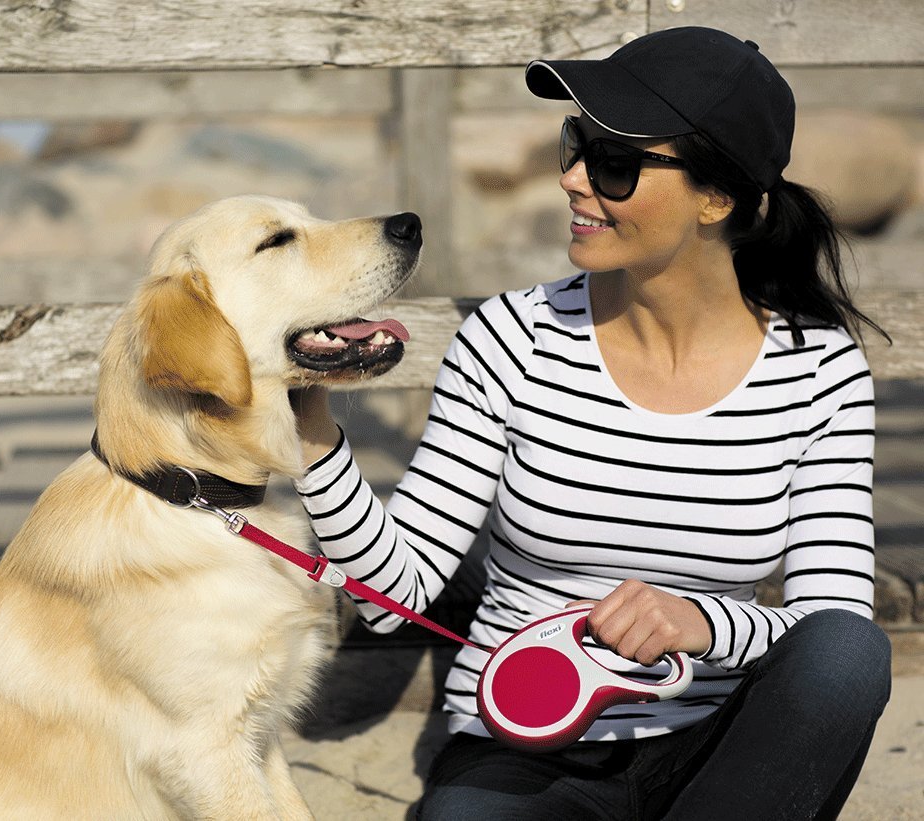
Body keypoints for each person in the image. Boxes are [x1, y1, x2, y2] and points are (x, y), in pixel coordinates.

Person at [290, 27, 892, 820]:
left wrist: (701, 621)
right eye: (576, 143)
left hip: (719, 751)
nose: (573, 179)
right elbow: (388, 593)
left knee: (852, 654)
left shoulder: (819, 369)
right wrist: (311, 428)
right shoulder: (512, 336)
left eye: (616, 162)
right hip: (526, 750)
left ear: (718, 198)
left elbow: (830, 628)